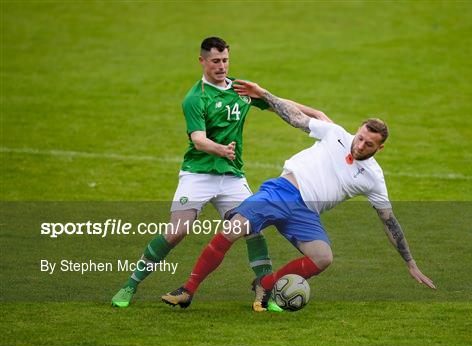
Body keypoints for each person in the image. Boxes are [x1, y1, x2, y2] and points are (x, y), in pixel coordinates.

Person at [160, 79, 436, 309]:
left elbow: (389, 221)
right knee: (233, 229)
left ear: (379, 149)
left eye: (369, 144)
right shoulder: (335, 134)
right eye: (360, 137)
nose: (360, 144)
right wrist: (264, 94)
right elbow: (296, 118)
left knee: (323, 257)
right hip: (281, 191)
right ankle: (188, 289)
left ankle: (265, 285)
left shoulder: (374, 177)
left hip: (306, 213)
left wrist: (410, 263)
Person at [111, 37, 330, 311]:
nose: (222, 66)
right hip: (198, 174)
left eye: (225, 60)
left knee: (253, 231)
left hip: (232, 177)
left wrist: (314, 113)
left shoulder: (240, 89)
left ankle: (265, 294)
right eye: (215, 61)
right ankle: (131, 284)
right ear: (202, 61)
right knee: (176, 232)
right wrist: (220, 150)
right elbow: (198, 140)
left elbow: (275, 102)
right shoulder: (195, 98)